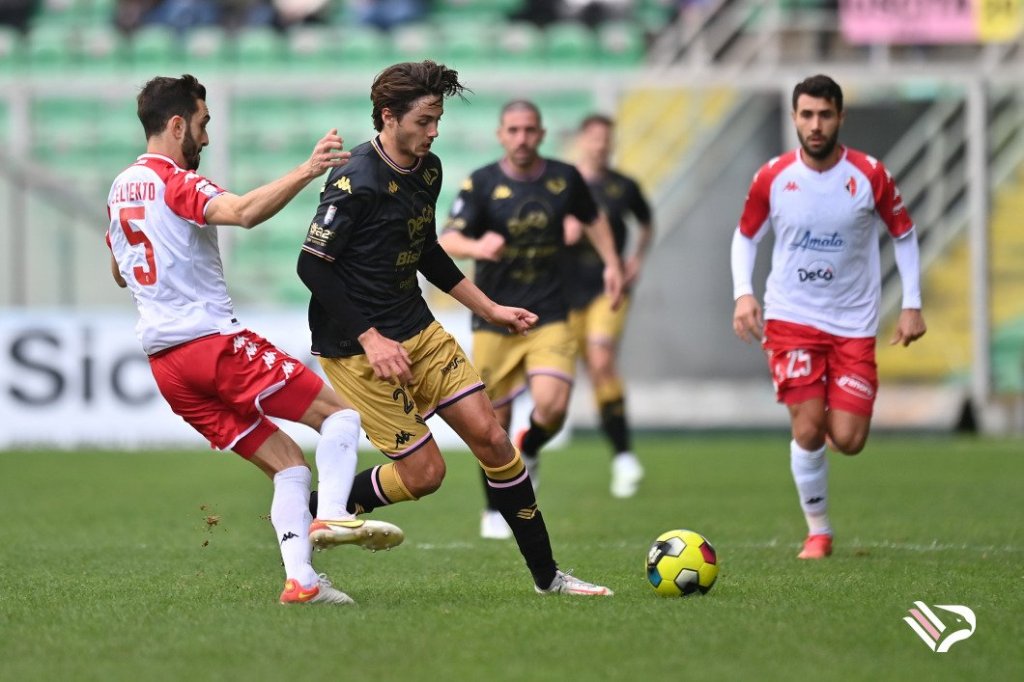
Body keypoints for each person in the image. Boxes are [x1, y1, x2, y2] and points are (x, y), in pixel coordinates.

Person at [298, 61, 613, 596]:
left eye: (438, 119)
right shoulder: (356, 178)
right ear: (389, 117)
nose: (434, 131)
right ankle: (312, 510)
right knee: (426, 475)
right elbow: (312, 265)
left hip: (416, 327)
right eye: (424, 121)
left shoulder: (429, 169)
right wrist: (372, 338)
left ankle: (549, 578)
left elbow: (427, 251)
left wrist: (490, 308)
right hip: (355, 346)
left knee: (493, 439)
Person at [106, 74, 403, 607]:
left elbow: (119, 270)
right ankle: (333, 515)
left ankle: (302, 581)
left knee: (289, 464)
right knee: (340, 416)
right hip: (209, 345)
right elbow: (242, 213)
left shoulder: (119, 187)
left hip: (167, 368)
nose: (207, 136)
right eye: (202, 123)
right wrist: (309, 170)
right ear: (177, 125)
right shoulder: (175, 181)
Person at [730, 74, 927, 560]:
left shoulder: (870, 175)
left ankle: (825, 431)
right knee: (807, 428)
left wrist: (912, 304)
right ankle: (818, 532)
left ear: (840, 116)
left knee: (849, 439)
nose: (815, 125)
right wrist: (743, 293)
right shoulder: (773, 177)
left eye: (824, 115)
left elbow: (903, 234)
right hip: (791, 318)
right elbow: (746, 236)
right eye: (807, 115)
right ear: (794, 118)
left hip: (853, 323)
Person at [439, 100, 624, 539]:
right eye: (513, 130)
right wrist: (477, 247)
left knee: (553, 407)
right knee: (492, 424)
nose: (521, 138)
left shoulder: (565, 178)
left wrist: (612, 262)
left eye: (529, 130)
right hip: (495, 316)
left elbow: (593, 218)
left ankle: (532, 447)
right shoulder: (481, 183)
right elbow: (447, 239)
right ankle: (493, 508)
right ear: (501, 135)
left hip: (548, 312)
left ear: (541, 134)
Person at [563, 113, 653, 499]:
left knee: (601, 360)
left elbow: (646, 222)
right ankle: (526, 457)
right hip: (564, 293)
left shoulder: (623, 186)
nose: (601, 144)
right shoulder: (562, 183)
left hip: (608, 288)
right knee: (558, 384)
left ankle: (624, 456)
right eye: (594, 137)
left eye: (606, 138)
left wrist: (636, 259)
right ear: (582, 140)